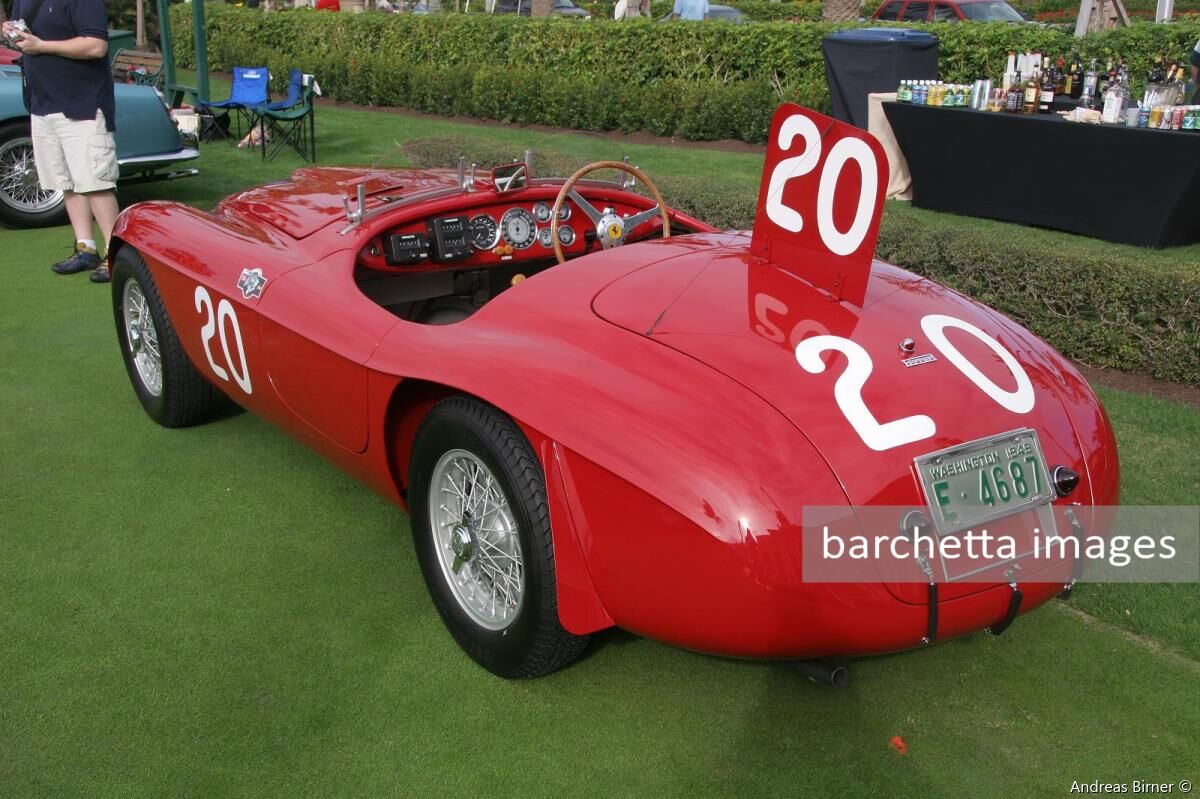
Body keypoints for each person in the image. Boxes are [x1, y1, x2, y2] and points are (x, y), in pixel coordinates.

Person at [4, 0, 120, 283]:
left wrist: (42, 46)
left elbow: (96, 46)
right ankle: (85, 248)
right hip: (43, 103)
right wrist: (9, 31)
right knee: (66, 180)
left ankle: (115, 254)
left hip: (83, 103)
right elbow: (28, 38)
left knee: (96, 182)